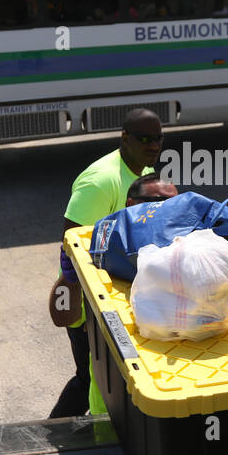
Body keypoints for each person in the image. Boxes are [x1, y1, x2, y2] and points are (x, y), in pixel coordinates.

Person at [47, 109, 164, 419]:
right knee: (90, 377)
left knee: (106, 378)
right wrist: (87, 313)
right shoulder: (101, 182)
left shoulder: (144, 168)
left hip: (114, 296)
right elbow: (72, 243)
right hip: (86, 303)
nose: (153, 145)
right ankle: (52, 434)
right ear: (125, 138)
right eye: (145, 139)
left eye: (158, 138)